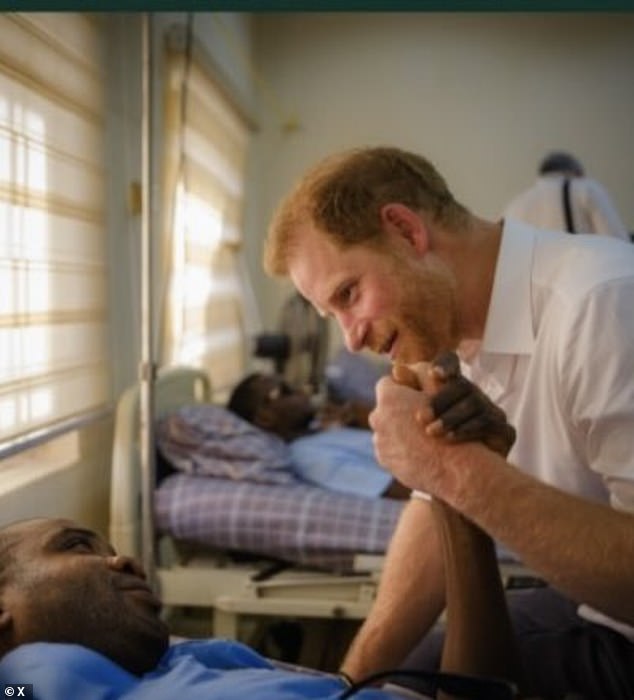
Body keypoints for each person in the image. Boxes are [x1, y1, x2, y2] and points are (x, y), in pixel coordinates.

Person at [262, 145, 634, 699]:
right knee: (398, 675)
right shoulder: (455, 336)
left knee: (423, 685)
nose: (352, 338)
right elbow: (433, 511)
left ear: (406, 231)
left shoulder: (601, 305)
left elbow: (454, 481)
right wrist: (347, 684)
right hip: (590, 605)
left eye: (349, 294)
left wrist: (454, 470)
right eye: (332, 314)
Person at [0, 516, 519, 700]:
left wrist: (457, 496)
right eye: (75, 546)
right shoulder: (23, 680)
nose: (124, 560)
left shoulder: (185, 663)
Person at [227, 371, 410, 499]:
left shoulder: (320, 432)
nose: (302, 391)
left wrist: (366, 419)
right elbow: (400, 491)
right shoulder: (307, 458)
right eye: (286, 390)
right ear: (265, 417)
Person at [504, 150, 630, 240]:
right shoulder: (585, 188)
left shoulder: (514, 204)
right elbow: (617, 241)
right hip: (580, 273)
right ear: (577, 172)